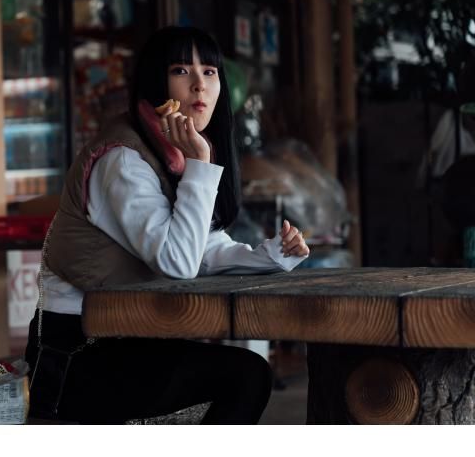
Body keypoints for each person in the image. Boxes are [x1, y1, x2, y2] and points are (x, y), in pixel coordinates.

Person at [25, 26, 310, 424]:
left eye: (210, 72)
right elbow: (180, 262)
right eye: (181, 70)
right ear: (156, 82)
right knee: (246, 376)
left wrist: (273, 255)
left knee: (245, 373)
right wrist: (202, 162)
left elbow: (204, 248)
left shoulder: (171, 154)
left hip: (130, 339)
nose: (199, 85)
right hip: (77, 356)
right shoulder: (123, 161)